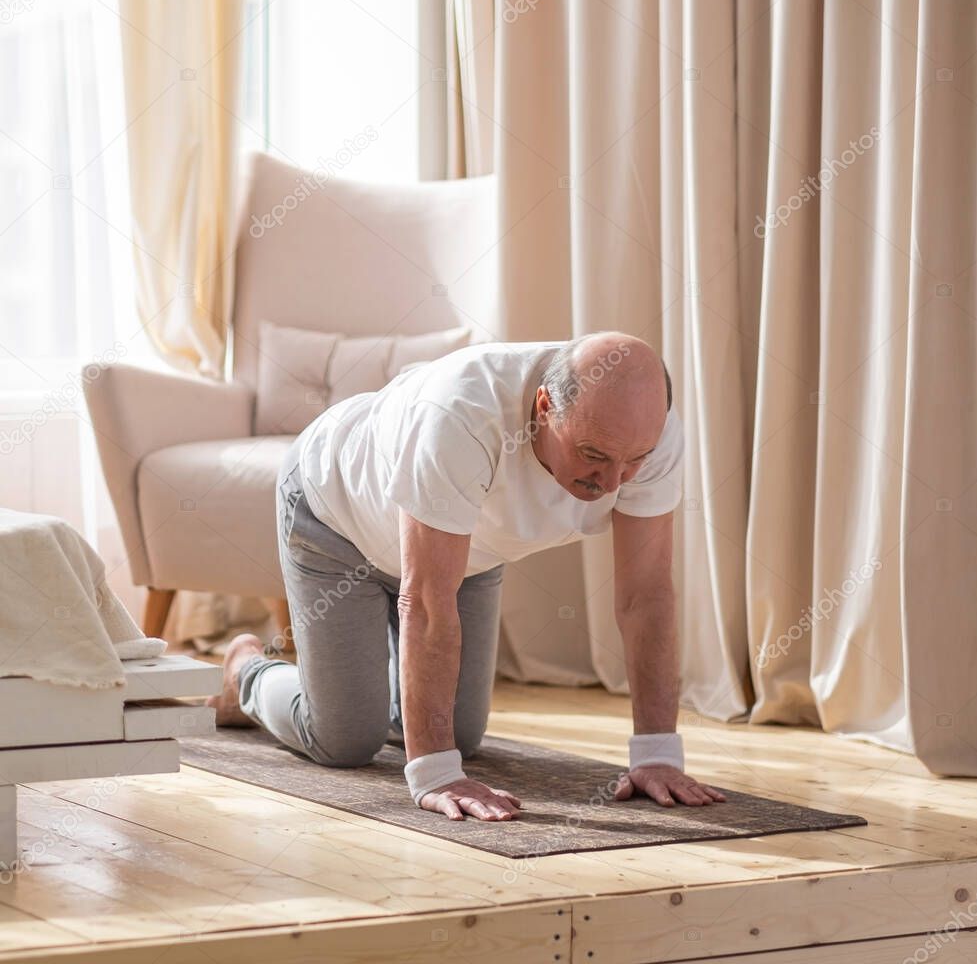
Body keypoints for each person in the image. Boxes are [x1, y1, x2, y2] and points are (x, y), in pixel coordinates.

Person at [207, 330, 726, 822]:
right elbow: (428, 600)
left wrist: (657, 753)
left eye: (633, 461)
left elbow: (646, 595)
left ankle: (377, 695)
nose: (613, 482)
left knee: (460, 734)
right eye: (593, 456)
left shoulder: (647, 433)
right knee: (345, 741)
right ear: (544, 407)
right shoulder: (460, 413)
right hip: (339, 518)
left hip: (466, 550)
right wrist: (434, 775)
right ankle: (245, 673)